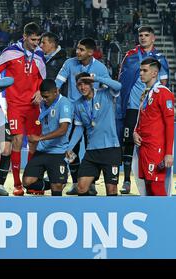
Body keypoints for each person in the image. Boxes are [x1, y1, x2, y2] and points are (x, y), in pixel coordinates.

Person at [0, 22, 46, 196]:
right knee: (17, 140)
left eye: (38, 39)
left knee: (34, 141)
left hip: (33, 106)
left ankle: (31, 180)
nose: (36, 43)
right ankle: (16, 184)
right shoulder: (10, 52)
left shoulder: (39, 54)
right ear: (25, 37)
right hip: (14, 104)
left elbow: (42, 78)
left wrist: (40, 92)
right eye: (33, 39)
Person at [118, 26, 169, 194]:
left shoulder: (160, 59)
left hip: (151, 109)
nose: (143, 37)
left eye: (147, 35)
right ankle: (126, 180)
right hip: (133, 107)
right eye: (140, 35)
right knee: (129, 142)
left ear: (153, 38)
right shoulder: (130, 56)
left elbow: (163, 84)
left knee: (149, 144)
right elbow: (122, 81)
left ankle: (152, 178)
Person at [55, 37, 110, 195]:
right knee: (73, 148)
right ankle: (74, 181)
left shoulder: (100, 68)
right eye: (77, 48)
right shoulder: (69, 63)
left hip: (94, 116)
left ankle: (91, 183)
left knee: (92, 149)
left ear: (91, 52)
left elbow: (108, 90)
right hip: (74, 113)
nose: (77, 52)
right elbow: (58, 83)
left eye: (81, 49)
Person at [67, 72, 122, 196]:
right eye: (79, 84)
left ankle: (111, 214)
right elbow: (79, 128)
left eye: (86, 83)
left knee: (111, 189)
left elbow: (118, 86)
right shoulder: (77, 104)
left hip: (110, 148)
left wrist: (96, 77)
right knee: (81, 187)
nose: (82, 87)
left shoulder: (105, 94)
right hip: (92, 151)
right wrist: (70, 147)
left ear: (91, 83)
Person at [23, 79, 73, 196]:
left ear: (56, 92)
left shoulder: (65, 104)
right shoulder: (43, 104)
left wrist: (39, 138)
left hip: (59, 151)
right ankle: (56, 182)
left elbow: (63, 130)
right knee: (27, 182)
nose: (44, 99)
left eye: (47, 96)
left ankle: (59, 182)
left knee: (57, 188)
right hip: (42, 150)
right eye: (43, 96)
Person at [133, 57, 174, 196]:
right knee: (148, 186)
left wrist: (168, 153)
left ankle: (166, 217)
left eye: (145, 70)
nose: (141, 73)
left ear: (154, 73)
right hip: (144, 147)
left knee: (157, 187)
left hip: (157, 149)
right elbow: (143, 120)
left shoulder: (163, 93)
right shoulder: (146, 94)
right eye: (140, 70)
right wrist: (135, 132)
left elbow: (170, 125)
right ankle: (153, 217)